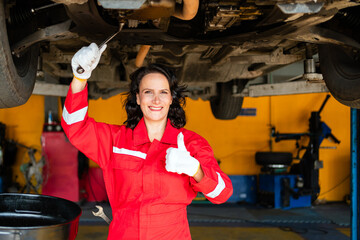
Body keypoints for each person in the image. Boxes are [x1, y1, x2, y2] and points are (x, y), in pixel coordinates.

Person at [61, 43, 233, 240]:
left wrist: (195, 169)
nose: (156, 100)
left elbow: (222, 194)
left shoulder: (190, 144)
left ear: (171, 99)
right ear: (138, 98)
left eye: (163, 92)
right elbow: (74, 128)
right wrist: (80, 78)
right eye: (148, 92)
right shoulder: (116, 141)